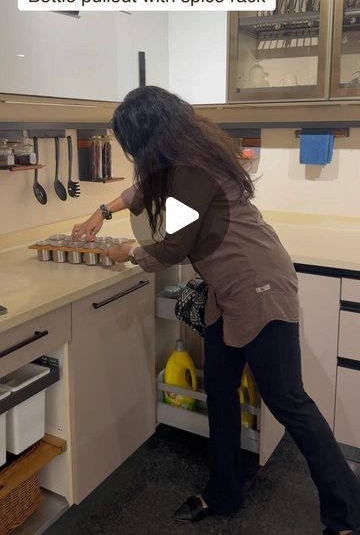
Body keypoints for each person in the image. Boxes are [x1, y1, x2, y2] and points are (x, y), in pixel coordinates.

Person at [73, 86, 360, 535]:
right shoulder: (184, 159)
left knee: (289, 401)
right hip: (225, 291)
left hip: (259, 287)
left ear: (148, 139)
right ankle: (225, 492)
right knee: (221, 390)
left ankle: (347, 514)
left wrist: (128, 251)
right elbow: (147, 188)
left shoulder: (189, 175)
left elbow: (170, 248)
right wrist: (101, 211)